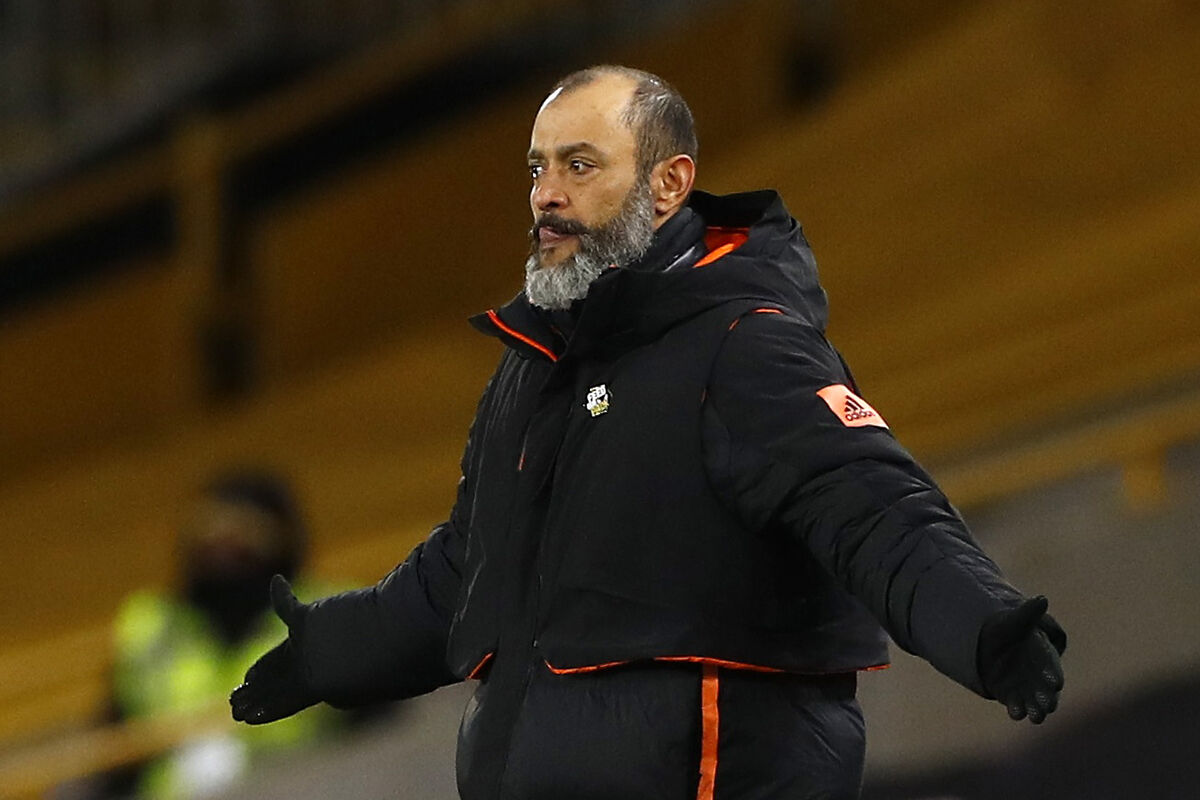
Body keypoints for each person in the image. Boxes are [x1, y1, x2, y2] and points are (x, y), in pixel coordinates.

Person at [230, 66, 1066, 800]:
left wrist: (982, 625)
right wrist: (332, 652)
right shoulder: (531, 368)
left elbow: (872, 508)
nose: (545, 195)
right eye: (538, 168)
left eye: (579, 165)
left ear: (669, 184)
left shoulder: (743, 345)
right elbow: (467, 566)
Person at [103, 471, 343, 799]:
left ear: (280, 539)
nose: (221, 546)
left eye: (241, 534)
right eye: (210, 530)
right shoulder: (151, 626)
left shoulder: (323, 614)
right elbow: (114, 747)